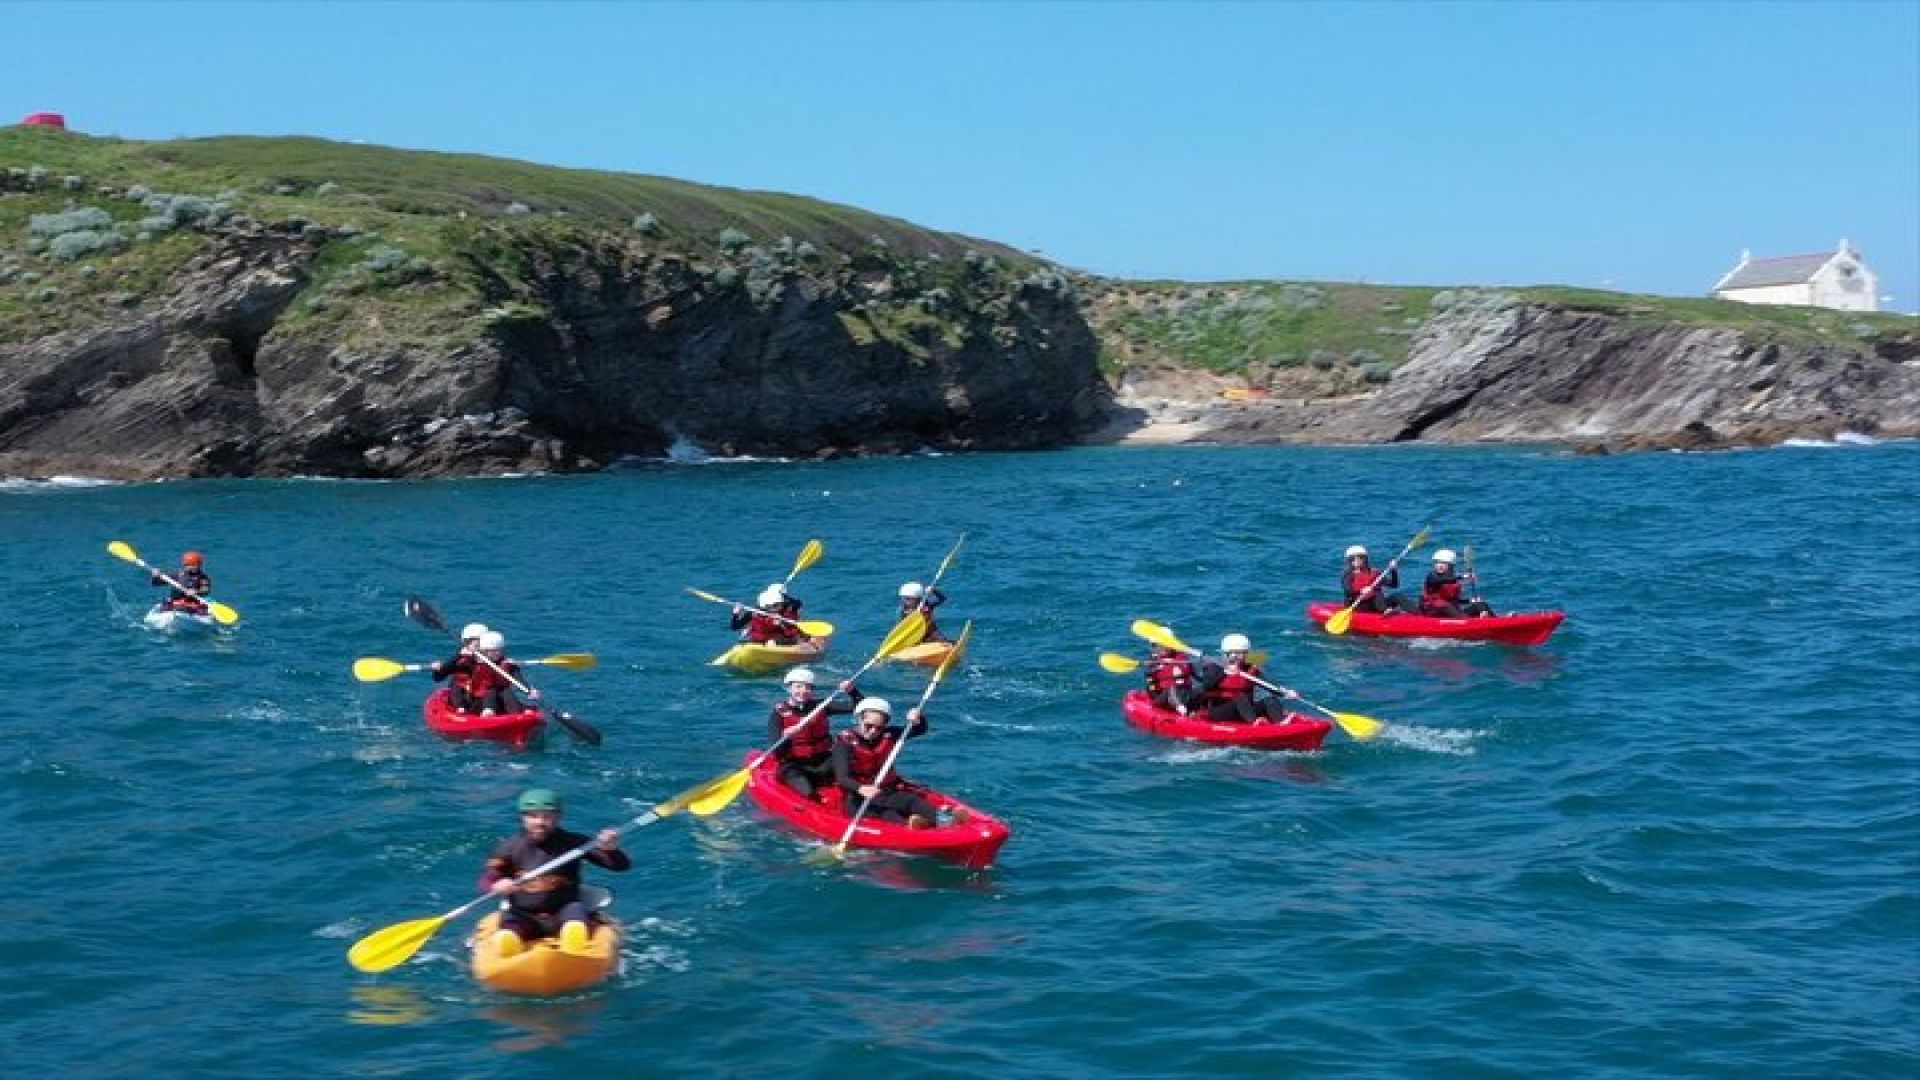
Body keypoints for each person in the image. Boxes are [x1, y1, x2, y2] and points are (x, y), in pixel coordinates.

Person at [480, 788, 630, 956]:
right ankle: (510, 954)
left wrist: (611, 850)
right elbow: (488, 879)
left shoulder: (575, 843)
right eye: (533, 816)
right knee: (507, 935)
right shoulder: (508, 848)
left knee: (575, 924)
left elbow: (620, 866)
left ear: (558, 817)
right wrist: (496, 885)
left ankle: (574, 955)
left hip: (565, 911)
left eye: (547, 816)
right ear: (523, 817)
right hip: (523, 915)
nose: (540, 822)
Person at [833, 697, 945, 828]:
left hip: (886, 791)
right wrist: (861, 788)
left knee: (913, 801)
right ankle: (915, 828)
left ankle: (943, 822)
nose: (873, 731)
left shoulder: (890, 734)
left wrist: (919, 718)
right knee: (889, 814)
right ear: (859, 719)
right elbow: (842, 778)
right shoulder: (844, 742)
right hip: (858, 798)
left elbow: (921, 729)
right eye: (869, 726)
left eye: (879, 727)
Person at [768, 667, 862, 798]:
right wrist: (785, 736)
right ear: (789, 688)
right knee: (807, 792)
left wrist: (852, 691)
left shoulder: (821, 706)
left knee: (854, 773)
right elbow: (776, 751)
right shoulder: (778, 714)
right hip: (796, 765)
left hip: (823, 760)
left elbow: (859, 708)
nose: (803, 691)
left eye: (808, 687)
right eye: (798, 687)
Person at [1193, 633, 1297, 723]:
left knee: (1269, 699)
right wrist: (1224, 673)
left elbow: (1267, 684)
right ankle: (1254, 723)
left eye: (1244, 653)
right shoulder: (1215, 666)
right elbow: (1206, 686)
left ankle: (1280, 721)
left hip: (1246, 710)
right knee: (1239, 697)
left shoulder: (1249, 667)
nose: (1242, 656)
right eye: (1239, 653)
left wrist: (1285, 692)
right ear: (1228, 653)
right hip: (1220, 711)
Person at [465, 630, 537, 716]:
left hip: (501, 701)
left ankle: (516, 712)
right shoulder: (475, 663)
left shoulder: (507, 663)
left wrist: (529, 690)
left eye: (499, 650)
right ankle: (488, 711)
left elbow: (518, 679)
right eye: (493, 651)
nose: (497, 653)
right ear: (484, 651)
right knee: (490, 691)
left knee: (506, 691)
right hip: (479, 702)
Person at [1419, 549, 1494, 618]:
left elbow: (1453, 600)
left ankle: (1494, 620)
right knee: (1444, 605)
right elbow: (1445, 580)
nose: (1439, 565)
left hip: (1449, 611)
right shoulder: (1432, 577)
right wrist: (1464, 576)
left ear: (1451, 565)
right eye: (1437, 562)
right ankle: (1469, 622)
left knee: (1481, 604)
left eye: (1444, 563)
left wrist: (1470, 601)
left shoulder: (1453, 579)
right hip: (1433, 611)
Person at [431, 622, 487, 710]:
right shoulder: (459, 659)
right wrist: (437, 669)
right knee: (456, 685)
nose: (480, 649)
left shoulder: (492, 658)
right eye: (477, 645)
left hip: (482, 699)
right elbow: (438, 677)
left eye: (483, 645)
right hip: (463, 698)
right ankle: (460, 708)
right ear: (467, 644)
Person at [731, 583, 807, 645]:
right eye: (774, 606)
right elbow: (735, 627)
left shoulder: (788, 610)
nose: (779, 607)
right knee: (747, 634)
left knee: (776, 641)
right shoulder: (755, 612)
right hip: (759, 639)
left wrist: (781, 624)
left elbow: (791, 632)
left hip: (778, 640)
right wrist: (736, 614)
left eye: (779, 604)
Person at [1341, 544, 1407, 614]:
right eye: (1352, 558)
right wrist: (1361, 591)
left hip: (1375, 605)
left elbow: (1394, 585)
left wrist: (1393, 571)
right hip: (1358, 605)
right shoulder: (1348, 574)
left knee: (1398, 596)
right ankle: (1385, 611)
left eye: (1360, 557)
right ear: (1349, 561)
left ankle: (1418, 614)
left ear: (1365, 559)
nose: (1356, 560)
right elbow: (1348, 590)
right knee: (1375, 593)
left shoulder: (1374, 572)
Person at [1144, 639, 1197, 715]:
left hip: (1183, 693)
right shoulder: (1153, 660)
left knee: (1200, 689)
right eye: (1156, 646)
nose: (1160, 648)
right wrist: (1158, 666)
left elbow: (1195, 674)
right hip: (1161, 696)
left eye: (1163, 645)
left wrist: (1174, 663)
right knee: (1172, 688)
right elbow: (1148, 675)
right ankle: (1181, 708)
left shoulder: (1181, 658)